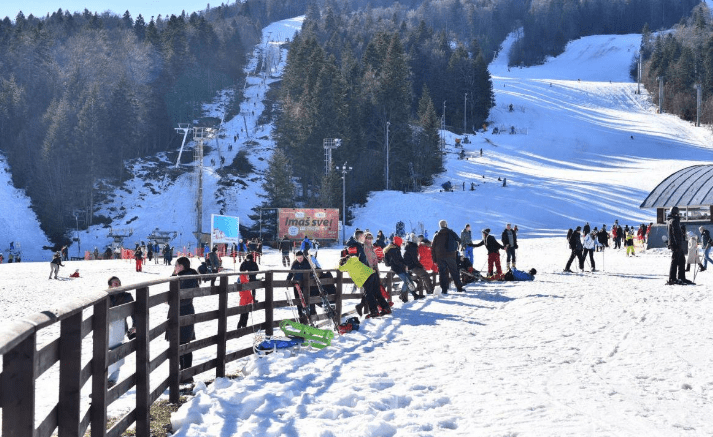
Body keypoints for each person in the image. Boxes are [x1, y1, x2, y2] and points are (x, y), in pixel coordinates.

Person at [171, 257, 198, 375]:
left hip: (184, 312)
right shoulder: (182, 276)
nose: (175, 267)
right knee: (179, 344)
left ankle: (186, 374)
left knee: (184, 344)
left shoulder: (187, 278)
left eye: (176, 265)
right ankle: (182, 373)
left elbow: (186, 298)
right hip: (181, 312)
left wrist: (172, 302)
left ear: (181, 266)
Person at [107, 276, 135, 387]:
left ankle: (112, 380)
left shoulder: (126, 296)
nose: (117, 284)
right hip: (105, 327)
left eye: (118, 282)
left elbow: (135, 311)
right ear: (110, 285)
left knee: (117, 351)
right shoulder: (105, 296)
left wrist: (135, 325)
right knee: (103, 352)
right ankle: (103, 378)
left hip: (119, 327)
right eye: (114, 283)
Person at [383, 236, 422, 302]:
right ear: (398, 242)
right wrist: (404, 266)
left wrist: (405, 265)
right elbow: (396, 261)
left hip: (400, 267)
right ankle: (403, 295)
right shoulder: (393, 250)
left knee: (409, 280)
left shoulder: (396, 248)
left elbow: (400, 259)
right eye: (401, 242)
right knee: (407, 281)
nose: (401, 244)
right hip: (396, 268)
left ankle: (413, 295)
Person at [431, 220, 464, 293]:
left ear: (440, 226)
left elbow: (432, 248)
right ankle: (459, 288)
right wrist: (456, 248)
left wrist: (434, 259)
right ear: (446, 225)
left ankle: (444, 290)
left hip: (440, 257)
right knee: (454, 272)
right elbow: (459, 240)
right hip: (451, 255)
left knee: (442, 273)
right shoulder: (451, 232)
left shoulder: (436, 235)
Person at [286, 251, 313, 323]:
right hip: (296, 285)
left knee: (305, 300)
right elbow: (291, 273)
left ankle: (307, 316)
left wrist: (310, 279)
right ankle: (300, 315)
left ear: (303, 257)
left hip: (305, 285)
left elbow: (311, 273)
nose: (299, 259)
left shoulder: (307, 263)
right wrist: (288, 280)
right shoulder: (294, 264)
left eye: (301, 258)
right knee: (298, 300)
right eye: (298, 258)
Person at [237, 253, 259, 329]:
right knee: (244, 308)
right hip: (245, 282)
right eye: (247, 259)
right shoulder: (244, 263)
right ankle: (241, 325)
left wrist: (252, 275)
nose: (247, 260)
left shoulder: (253, 263)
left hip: (251, 279)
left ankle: (253, 298)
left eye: (249, 259)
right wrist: (245, 274)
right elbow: (241, 270)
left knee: (252, 291)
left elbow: (256, 270)